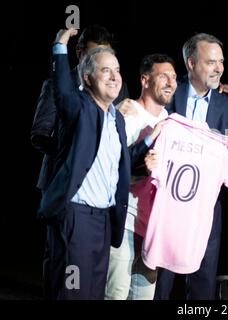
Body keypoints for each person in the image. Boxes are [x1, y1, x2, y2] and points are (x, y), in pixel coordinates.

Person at [39, 28, 158, 300]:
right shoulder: (78, 107)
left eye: (117, 70)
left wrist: (152, 139)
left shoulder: (116, 118)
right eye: (106, 71)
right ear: (87, 76)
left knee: (93, 292)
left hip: (104, 221)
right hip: (76, 218)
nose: (115, 76)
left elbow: (120, 161)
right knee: (72, 292)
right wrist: (59, 46)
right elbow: (61, 89)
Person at [154, 33, 228, 300]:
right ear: (191, 64)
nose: (219, 68)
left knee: (202, 287)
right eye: (211, 62)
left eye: (222, 62)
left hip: (205, 210)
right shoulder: (168, 95)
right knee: (159, 284)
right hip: (164, 208)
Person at [105, 54, 177, 300]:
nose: (171, 82)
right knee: (116, 294)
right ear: (145, 80)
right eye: (163, 76)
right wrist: (140, 168)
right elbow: (110, 167)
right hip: (125, 221)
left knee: (144, 297)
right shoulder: (126, 114)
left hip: (154, 226)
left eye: (174, 77)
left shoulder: (171, 121)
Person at [31, 24, 129, 191]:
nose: (99, 61)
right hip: (60, 184)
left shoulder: (118, 87)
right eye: (93, 55)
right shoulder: (55, 85)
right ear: (79, 53)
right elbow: (39, 135)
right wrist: (75, 152)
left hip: (102, 185)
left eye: (105, 55)